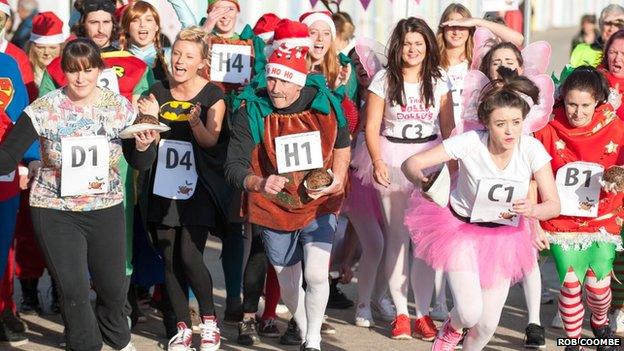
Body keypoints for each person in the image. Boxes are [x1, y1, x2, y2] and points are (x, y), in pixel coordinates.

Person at [0, 38, 157, 351]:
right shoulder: (44, 108)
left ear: (99, 70)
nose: (81, 78)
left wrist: (143, 145)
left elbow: (140, 161)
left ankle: (118, 339)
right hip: (55, 210)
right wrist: (21, 167)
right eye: (73, 71)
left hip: (105, 208)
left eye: (87, 70)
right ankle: (85, 344)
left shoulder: (117, 107)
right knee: (72, 291)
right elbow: (7, 154)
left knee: (112, 290)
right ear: (63, 73)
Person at [402, 73, 560, 350]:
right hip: (460, 230)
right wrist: (422, 180)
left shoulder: (532, 148)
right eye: (501, 124)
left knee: (486, 325)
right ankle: (450, 330)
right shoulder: (471, 142)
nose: (510, 131)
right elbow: (412, 163)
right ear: (486, 123)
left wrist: (533, 209)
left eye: (516, 123)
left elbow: (554, 205)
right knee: (469, 312)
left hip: (504, 238)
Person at [225, 19, 351, 351]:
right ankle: (306, 325)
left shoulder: (323, 103)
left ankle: (312, 342)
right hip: (272, 203)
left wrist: (336, 180)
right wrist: (259, 181)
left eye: (284, 81)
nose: (276, 88)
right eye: (271, 78)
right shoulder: (251, 110)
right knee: (287, 279)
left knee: (316, 274)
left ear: (298, 83)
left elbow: (342, 141)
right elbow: (233, 166)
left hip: (318, 202)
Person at [350, 16, 454, 341]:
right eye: (407, 43)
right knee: (397, 238)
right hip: (393, 158)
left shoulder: (439, 79)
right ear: (398, 45)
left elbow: (448, 127)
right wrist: (378, 160)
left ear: (428, 47)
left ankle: (423, 312)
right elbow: (371, 126)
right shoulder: (384, 79)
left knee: (424, 241)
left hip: (430, 161)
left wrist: (454, 167)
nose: (412, 49)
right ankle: (401, 313)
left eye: (419, 44)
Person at [136, 26, 225, 351]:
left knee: (189, 254)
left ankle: (210, 322)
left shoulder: (212, 94)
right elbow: (151, 138)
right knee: (169, 258)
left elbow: (211, 140)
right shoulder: (158, 90)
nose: (180, 61)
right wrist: (147, 121)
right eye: (176, 54)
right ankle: (181, 327)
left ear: (202, 61)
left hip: (198, 186)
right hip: (162, 184)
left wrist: (196, 122)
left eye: (188, 56)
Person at [533, 66, 624, 351]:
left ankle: (599, 323)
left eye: (585, 105)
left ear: (597, 100)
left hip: (601, 217)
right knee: (571, 284)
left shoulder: (615, 126)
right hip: (561, 219)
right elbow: (532, 176)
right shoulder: (547, 128)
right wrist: (534, 222)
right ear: (562, 99)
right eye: (572, 104)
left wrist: (617, 178)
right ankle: (572, 343)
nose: (578, 112)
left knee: (598, 290)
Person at [0, 52, 32, 346]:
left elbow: (23, 114)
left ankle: (4, 309)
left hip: (3, 169)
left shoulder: (8, 63)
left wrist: (30, 159)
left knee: (3, 245)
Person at [119, 0, 170, 82]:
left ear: (156, 26)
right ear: (126, 28)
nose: (142, 24)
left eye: (148, 20)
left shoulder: (169, 57)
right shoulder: (117, 58)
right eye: (135, 20)